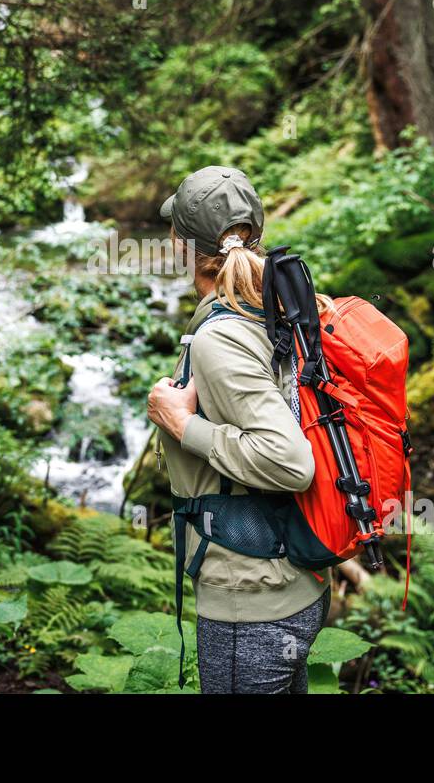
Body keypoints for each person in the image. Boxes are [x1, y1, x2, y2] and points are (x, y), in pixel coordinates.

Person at [146, 165, 331, 694]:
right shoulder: (275, 308)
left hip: (250, 601)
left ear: (184, 246)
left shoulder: (219, 337)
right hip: (295, 580)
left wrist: (182, 425)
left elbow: (290, 461)